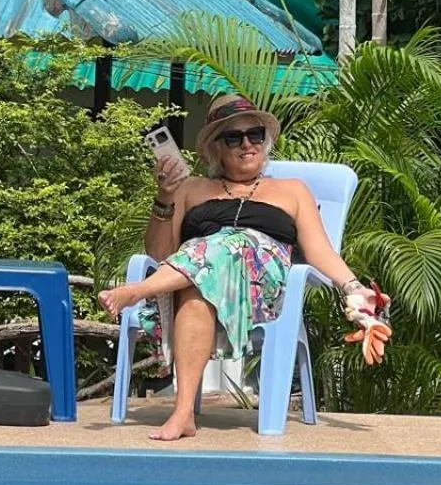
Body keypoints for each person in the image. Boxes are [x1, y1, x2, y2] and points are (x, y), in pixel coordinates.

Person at [99, 93, 390, 442]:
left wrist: (353, 288)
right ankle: (183, 413)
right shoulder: (192, 188)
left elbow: (319, 251)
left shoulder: (291, 190)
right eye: (234, 138)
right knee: (195, 290)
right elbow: (162, 253)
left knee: (231, 243)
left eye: (255, 135)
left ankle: (137, 292)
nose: (247, 144)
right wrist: (164, 198)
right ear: (215, 149)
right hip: (199, 277)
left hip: (262, 285)